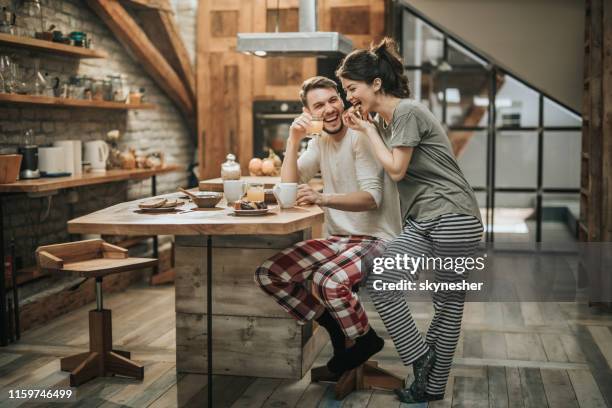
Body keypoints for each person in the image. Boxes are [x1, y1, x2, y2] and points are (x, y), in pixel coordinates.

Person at [336, 38, 484, 403]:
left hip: (453, 216)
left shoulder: (406, 113)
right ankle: (421, 357)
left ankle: (428, 388)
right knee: (383, 279)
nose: (348, 97)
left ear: (375, 84)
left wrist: (367, 131)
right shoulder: (387, 123)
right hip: (425, 219)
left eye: (352, 88)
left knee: (447, 304)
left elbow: (398, 171)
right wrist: (366, 129)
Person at [255, 76, 402, 376]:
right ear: (309, 113)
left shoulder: (361, 135)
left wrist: (322, 198)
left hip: (375, 238)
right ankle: (337, 331)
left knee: (329, 280)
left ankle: (365, 339)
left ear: (342, 99)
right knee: (270, 275)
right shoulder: (318, 141)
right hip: (338, 238)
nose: (329, 109)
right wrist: (293, 141)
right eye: (318, 105)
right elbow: (289, 185)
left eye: (333, 100)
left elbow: (371, 198)